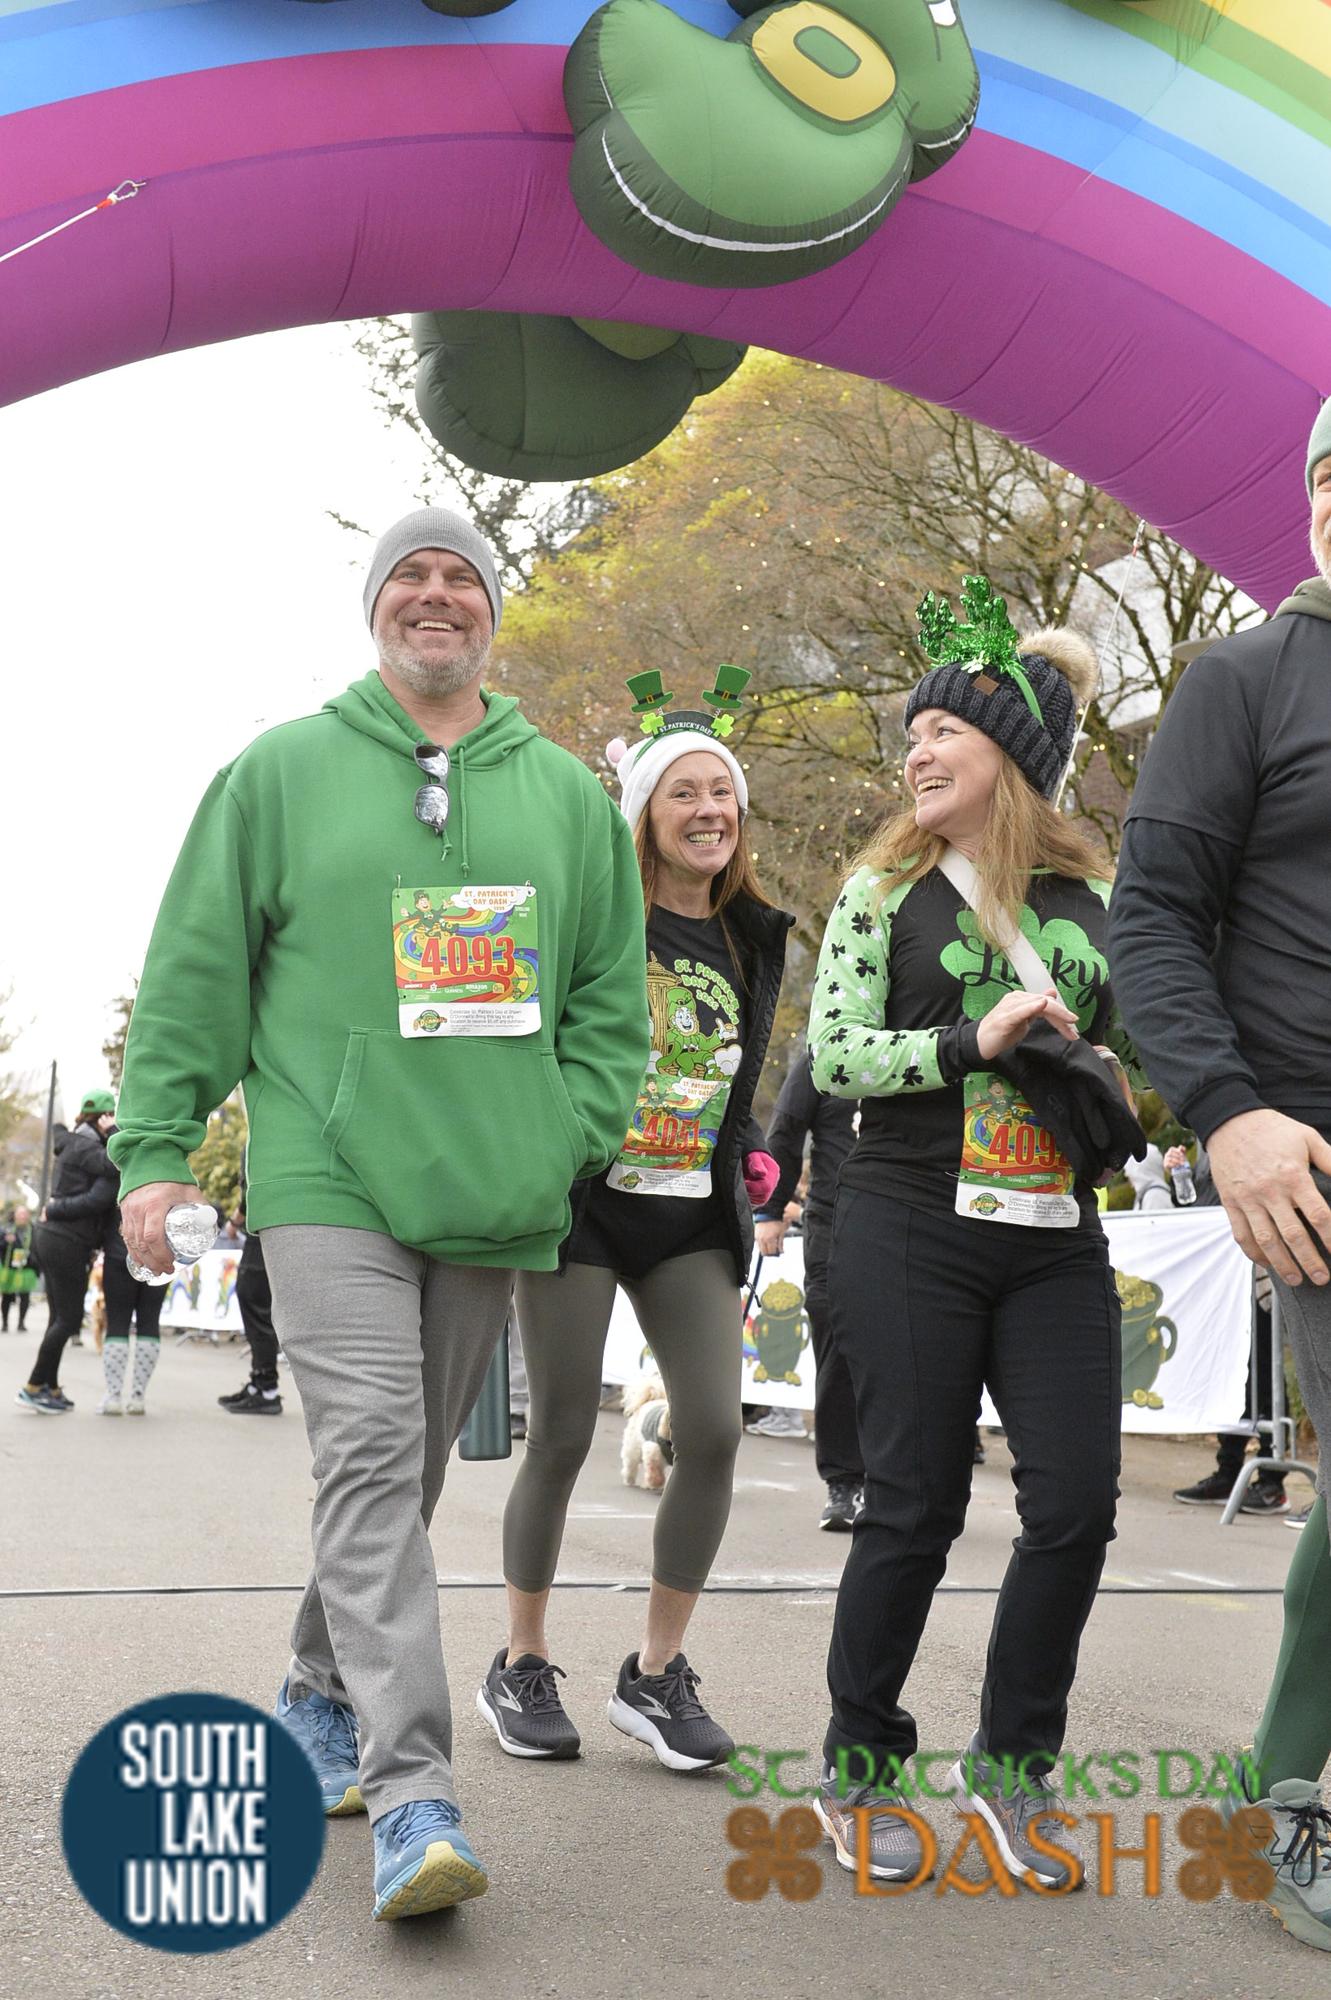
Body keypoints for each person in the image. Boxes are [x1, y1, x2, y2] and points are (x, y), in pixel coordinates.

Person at [111, 508, 649, 1920]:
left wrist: (565, 1136)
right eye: (408, 573)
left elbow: (611, 1002)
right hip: (326, 1169)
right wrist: (156, 1151)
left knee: (399, 1477)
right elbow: (195, 970)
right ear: (373, 606)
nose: (434, 593)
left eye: (460, 575)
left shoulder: (567, 798)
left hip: (492, 1180)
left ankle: (313, 1684)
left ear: (490, 613)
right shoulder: (280, 772)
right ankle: (414, 1795)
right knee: (366, 1453)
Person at [809, 586, 1143, 1891]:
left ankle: (1012, 1768)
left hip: (1052, 1228)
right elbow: (834, 1056)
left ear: (1009, 751)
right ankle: (859, 1762)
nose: (916, 752)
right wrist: (968, 1038)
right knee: (912, 1504)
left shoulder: (1096, 892)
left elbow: (1149, 1025)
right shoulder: (878, 889)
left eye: (941, 729)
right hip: (907, 1217)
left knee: (1075, 1505)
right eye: (912, 734)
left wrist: (1111, 1076)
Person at [1108, 397, 1331, 1951]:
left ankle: (1271, 1785)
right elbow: (1147, 919)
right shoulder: (1242, 679)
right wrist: (1226, 1112)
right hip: (1305, 1146)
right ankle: (1285, 1800)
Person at [480, 669, 790, 1772]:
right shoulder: (593, 914)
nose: (708, 810)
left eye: (722, 793)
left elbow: (733, 1070)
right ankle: (520, 1660)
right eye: (682, 793)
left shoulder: (753, 936)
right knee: (563, 1430)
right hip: (582, 1207)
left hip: (688, 1214)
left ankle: (655, 1675)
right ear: (643, 815)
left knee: (711, 1429)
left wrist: (747, 1149)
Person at [753, 1047, 862, 1525]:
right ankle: (844, 1482)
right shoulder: (824, 1053)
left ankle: (900, 1479)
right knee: (835, 1351)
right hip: (833, 1223)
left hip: (911, 1223)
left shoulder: (925, 1038)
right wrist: (771, 1211)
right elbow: (786, 1130)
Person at [17, 1090, 118, 1412]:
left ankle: (49, 1385)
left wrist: (54, 1209)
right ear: (105, 1118)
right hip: (67, 1240)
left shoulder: (73, 1144)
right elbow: (112, 1174)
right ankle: (34, 1386)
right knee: (69, 1319)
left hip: (53, 1237)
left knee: (58, 1317)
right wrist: (115, 1133)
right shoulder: (92, 1149)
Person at [217, 1203, 284, 1417]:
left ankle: (267, 1388)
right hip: (263, 1225)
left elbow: (250, 1189)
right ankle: (260, 1384)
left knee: (255, 1304)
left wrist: (235, 1221)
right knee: (254, 1303)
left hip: (264, 1223)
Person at [0, 1205, 40, 1334]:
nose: (22, 1216)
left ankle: (21, 1322)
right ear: (15, 1215)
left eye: (25, 1213)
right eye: (20, 1213)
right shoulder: (6, 1229)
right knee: (7, 1296)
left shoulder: (33, 1229)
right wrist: (6, 1241)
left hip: (26, 1267)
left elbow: (37, 1246)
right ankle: (5, 1323)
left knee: (25, 1296)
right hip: (9, 1267)